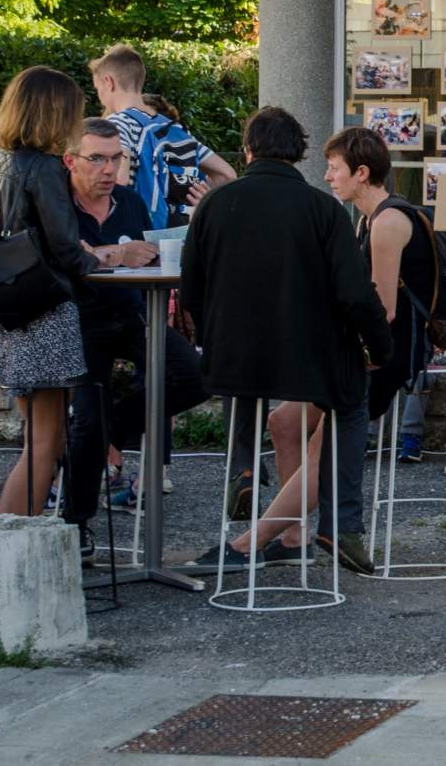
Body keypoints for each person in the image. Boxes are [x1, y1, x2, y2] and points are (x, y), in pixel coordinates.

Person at [180, 107, 391, 573]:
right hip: (310, 356)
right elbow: (355, 294)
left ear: (248, 150)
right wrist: (380, 348)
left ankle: (244, 469)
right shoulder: (323, 209)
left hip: (234, 354)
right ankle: (342, 524)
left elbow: (191, 288)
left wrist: (212, 336)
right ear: (298, 153)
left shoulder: (215, 204)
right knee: (351, 402)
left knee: (244, 389)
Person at [61, 118, 209, 562]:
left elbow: (146, 254)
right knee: (88, 420)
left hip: (131, 313)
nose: (108, 169)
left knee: (196, 375)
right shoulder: (58, 206)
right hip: (82, 320)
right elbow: (64, 260)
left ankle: (113, 429)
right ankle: (76, 525)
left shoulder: (129, 202)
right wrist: (114, 255)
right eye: (97, 159)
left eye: (116, 159)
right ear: (70, 161)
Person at [0, 67, 100, 517]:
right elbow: (64, 246)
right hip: (47, 309)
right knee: (47, 442)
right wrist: (102, 261)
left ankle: (10, 535)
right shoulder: (44, 167)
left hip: (10, 307)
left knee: (35, 438)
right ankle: (14, 541)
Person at [325, 124, 431, 516]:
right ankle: (295, 525)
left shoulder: (387, 222)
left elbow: (382, 310)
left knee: (318, 435)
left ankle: (287, 530)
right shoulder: (367, 221)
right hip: (377, 348)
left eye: (334, 167)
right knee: (287, 421)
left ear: (361, 173)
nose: (328, 176)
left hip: (392, 354)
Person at [90, 44, 236, 229]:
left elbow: (120, 179)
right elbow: (227, 174)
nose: (100, 97)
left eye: (98, 89)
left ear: (108, 82)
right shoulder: (172, 127)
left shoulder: (117, 123)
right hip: (176, 233)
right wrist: (203, 197)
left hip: (138, 232)